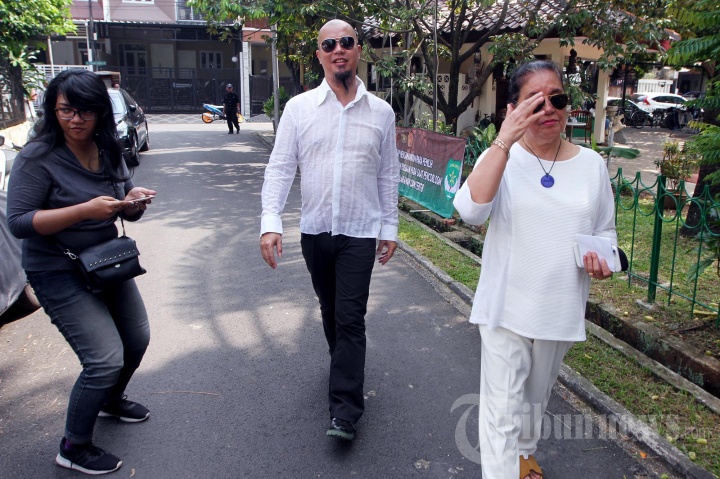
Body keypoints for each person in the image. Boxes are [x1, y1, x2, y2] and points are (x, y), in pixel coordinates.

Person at [452, 60, 617, 479]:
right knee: (501, 412)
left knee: (534, 399)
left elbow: (605, 232)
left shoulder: (591, 166)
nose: (549, 110)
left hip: (558, 306)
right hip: (505, 306)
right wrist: (504, 141)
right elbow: (470, 212)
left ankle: (525, 452)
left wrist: (604, 262)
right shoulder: (502, 157)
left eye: (557, 100)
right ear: (513, 109)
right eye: (534, 102)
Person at [7, 69, 156, 475]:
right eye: (66, 110)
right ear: (53, 110)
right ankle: (73, 446)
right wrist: (83, 211)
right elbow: (19, 222)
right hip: (57, 269)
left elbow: (123, 202)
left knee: (137, 339)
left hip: (106, 262)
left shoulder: (108, 148)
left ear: (100, 113)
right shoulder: (37, 157)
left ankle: (108, 399)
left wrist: (133, 202)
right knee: (104, 359)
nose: (75, 119)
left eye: (85, 111)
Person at [260, 19, 399, 441]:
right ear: (319, 54)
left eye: (347, 42)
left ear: (358, 50)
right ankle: (342, 363)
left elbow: (388, 173)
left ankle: (345, 411)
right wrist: (270, 223)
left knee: (351, 317)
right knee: (330, 308)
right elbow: (280, 168)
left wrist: (389, 225)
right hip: (316, 230)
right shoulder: (299, 109)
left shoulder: (382, 113)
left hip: (360, 230)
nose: (339, 49)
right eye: (329, 44)